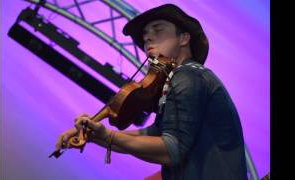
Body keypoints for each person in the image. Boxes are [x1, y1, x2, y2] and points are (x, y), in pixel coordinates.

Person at [54, 4, 248, 180]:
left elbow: (171, 149)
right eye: (145, 34)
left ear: (184, 38)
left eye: (158, 29)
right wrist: (95, 135)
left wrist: (109, 136)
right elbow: (155, 133)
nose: (147, 37)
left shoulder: (188, 76)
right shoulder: (177, 79)